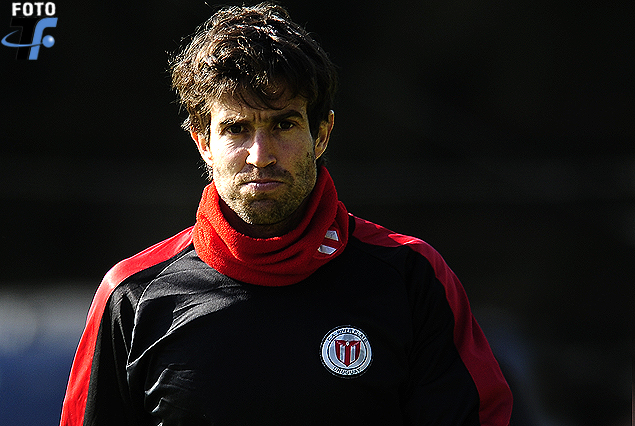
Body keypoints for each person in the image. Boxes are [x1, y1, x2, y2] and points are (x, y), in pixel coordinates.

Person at [60, 3, 513, 425]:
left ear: (322, 134)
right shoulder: (132, 296)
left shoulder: (413, 278)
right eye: (237, 128)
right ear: (203, 142)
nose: (260, 155)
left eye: (283, 124)